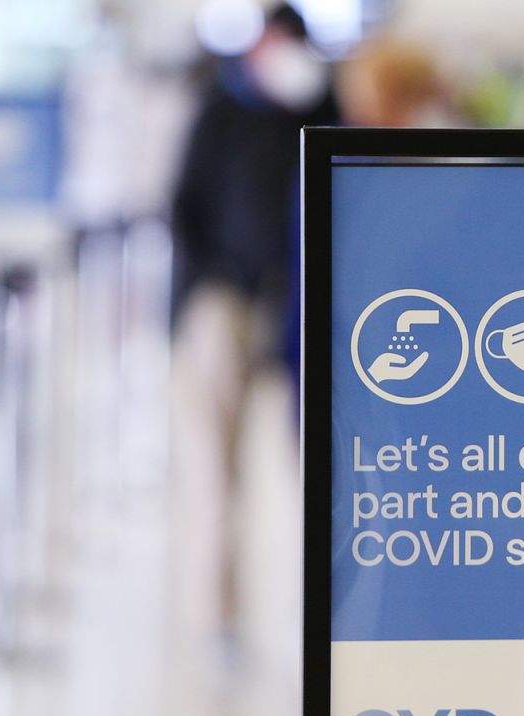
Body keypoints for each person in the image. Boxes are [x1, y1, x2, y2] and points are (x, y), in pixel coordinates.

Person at [171, 3, 338, 644]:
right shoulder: (221, 109)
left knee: (317, 465)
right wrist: (210, 286)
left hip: (302, 304)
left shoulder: (319, 110)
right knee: (217, 470)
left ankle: (325, 613)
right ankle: (220, 614)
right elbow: (184, 203)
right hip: (226, 302)